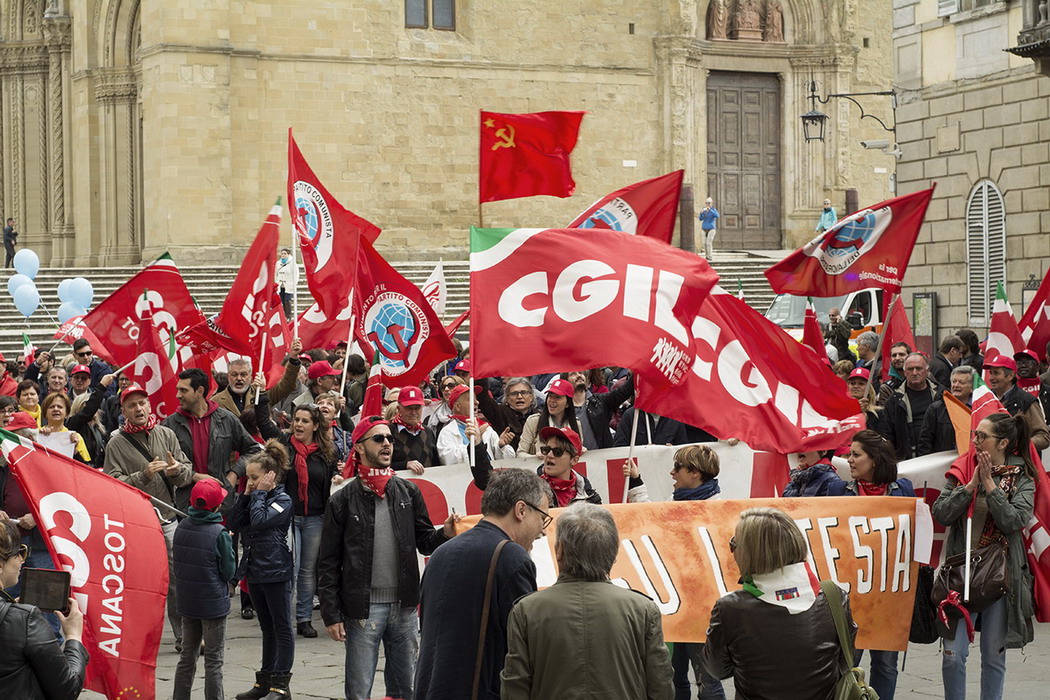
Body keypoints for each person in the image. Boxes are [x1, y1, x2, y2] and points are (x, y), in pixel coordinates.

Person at [317, 416, 458, 700]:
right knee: (359, 692)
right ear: (358, 448)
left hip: (405, 607)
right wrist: (331, 614)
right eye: (378, 439)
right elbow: (328, 561)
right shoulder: (341, 500)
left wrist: (445, 532)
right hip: (362, 609)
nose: (387, 444)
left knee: (406, 689)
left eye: (390, 439)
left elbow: (425, 542)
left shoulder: (408, 491)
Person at [501, 502, 673, 699]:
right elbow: (661, 685)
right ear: (613, 553)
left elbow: (515, 688)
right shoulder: (643, 609)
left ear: (559, 550)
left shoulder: (526, 611)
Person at [414, 469, 551, 699]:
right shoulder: (511, 557)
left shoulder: (441, 552)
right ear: (521, 510)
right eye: (542, 517)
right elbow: (524, 646)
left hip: (429, 689)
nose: (543, 530)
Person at [932, 412, 1035, 700]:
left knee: (993, 656)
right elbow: (941, 513)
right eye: (975, 434)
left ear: (1002, 443)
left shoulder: (1022, 475)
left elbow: (1014, 520)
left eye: (982, 436)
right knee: (953, 655)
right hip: (960, 575)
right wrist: (970, 486)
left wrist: (990, 486)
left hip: (999, 577)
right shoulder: (964, 467)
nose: (975, 441)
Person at [701, 507, 853, 700]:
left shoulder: (730, 609)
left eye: (734, 545)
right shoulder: (834, 596)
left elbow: (718, 670)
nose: (732, 552)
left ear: (750, 553)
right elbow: (845, 660)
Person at [104, 383, 196, 651]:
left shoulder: (166, 434)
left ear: (149, 405)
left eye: (142, 403)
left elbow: (187, 471)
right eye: (132, 405)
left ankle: (183, 637)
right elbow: (112, 483)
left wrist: (176, 471)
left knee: (178, 580)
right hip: (138, 522)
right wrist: (143, 475)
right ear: (124, 411)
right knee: (141, 582)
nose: (139, 409)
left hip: (168, 518)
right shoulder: (116, 443)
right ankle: (140, 639)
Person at [827, 430, 914, 699]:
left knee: (886, 666)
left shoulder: (904, 489)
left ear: (874, 459)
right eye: (849, 454)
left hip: (889, 594)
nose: (849, 460)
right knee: (848, 664)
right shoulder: (837, 491)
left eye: (856, 454)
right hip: (850, 594)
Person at [255, 388, 343, 638]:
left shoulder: (327, 453)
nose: (299, 425)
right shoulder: (283, 447)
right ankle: (284, 618)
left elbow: (329, 486)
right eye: (296, 420)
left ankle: (304, 619)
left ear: (316, 426)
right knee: (290, 568)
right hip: (288, 518)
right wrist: (261, 395)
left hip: (315, 519)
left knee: (307, 571)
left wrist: (338, 478)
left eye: (305, 421)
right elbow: (264, 423)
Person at [228, 440, 296, 700]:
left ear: (271, 476)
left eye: (254, 478)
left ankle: (281, 684)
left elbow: (259, 522)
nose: (251, 482)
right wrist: (246, 495)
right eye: (248, 477)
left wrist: (257, 495)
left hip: (276, 570)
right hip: (255, 569)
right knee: (266, 627)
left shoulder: (282, 499)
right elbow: (234, 522)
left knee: (282, 627)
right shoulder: (253, 495)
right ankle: (265, 681)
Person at [0, 520, 89, 698]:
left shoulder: (19, 616)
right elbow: (67, 688)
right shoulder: (26, 619)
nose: (22, 561)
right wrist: (73, 637)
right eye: (20, 552)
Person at [172, 479, 237, 700]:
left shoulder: (181, 527)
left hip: (188, 602)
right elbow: (228, 571)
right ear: (217, 506)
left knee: (187, 656)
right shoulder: (219, 533)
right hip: (212, 604)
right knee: (214, 659)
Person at [163, 368, 262, 509]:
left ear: (200, 391)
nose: (178, 395)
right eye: (178, 390)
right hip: (186, 505)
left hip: (221, 504)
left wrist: (234, 474)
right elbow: (164, 463)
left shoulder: (226, 419)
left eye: (183, 390)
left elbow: (252, 449)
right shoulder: (169, 425)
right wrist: (194, 476)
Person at [879, 352, 946, 460]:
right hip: (907, 461)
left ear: (927, 370)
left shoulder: (942, 395)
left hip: (937, 459)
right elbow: (888, 435)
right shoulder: (894, 401)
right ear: (905, 372)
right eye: (910, 369)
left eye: (919, 368)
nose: (914, 373)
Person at [211, 341, 302, 416]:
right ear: (228, 377)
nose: (239, 378)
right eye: (234, 374)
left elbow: (286, 385)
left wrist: (294, 359)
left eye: (243, 374)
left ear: (250, 377)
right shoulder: (216, 402)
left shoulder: (261, 395)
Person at [983, 354, 1050, 451]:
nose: (991, 378)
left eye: (996, 373)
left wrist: (1019, 446)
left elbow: (1043, 436)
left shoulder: (1026, 401)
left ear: (1010, 376)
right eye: (991, 373)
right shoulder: (987, 399)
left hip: (1019, 464)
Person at [438, 384, 514, 464]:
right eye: (471, 399)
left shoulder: (486, 428)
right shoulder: (447, 432)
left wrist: (501, 446)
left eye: (476, 399)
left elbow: (506, 460)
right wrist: (474, 444)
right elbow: (449, 460)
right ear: (457, 406)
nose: (477, 402)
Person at [918, 365, 975, 456]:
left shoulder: (977, 410)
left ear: (972, 387)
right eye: (954, 381)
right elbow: (925, 442)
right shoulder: (936, 409)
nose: (956, 385)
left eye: (961, 382)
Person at [516, 378, 578, 456]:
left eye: (557, 397)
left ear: (568, 404)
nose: (551, 400)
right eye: (550, 396)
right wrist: (535, 457)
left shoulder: (576, 423)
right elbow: (520, 453)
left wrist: (582, 451)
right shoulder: (534, 421)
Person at [476, 376, 537, 451]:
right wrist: (481, 373)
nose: (519, 396)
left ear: (531, 397)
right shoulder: (500, 413)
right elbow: (482, 397)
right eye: (514, 394)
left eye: (524, 393)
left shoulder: (539, 417)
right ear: (507, 398)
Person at [391, 385, 439, 473]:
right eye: (409, 408)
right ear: (399, 409)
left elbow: (436, 464)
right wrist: (405, 465)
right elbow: (379, 467)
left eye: (417, 408)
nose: (413, 412)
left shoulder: (428, 432)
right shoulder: (389, 432)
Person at [38, 391, 92, 464]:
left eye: (60, 407)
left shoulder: (75, 437)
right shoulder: (37, 435)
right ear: (45, 413)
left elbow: (86, 468)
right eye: (51, 407)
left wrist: (75, 450)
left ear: (67, 413)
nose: (56, 409)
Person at [877, 341, 912, 406]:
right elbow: (885, 413)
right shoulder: (886, 388)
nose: (897, 358)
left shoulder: (924, 377)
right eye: (894, 355)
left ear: (910, 356)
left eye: (901, 354)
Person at [275, 247, 299, 318]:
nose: (283, 255)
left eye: (285, 254)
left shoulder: (292, 263)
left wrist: (294, 284)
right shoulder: (278, 263)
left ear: (288, 254)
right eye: (282, 253)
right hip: (280, 285)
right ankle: (283, 316)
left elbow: (296, 274)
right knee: (282, 301)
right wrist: (276, 282)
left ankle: (288, 316)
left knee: (287, 300)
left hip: (289, 285)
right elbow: (275, 274)